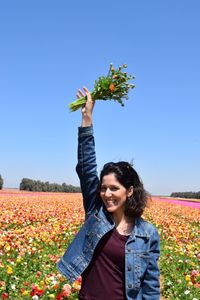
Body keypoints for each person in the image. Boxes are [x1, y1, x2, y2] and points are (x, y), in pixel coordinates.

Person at [57, 87, 160, 299]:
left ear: (129, 191)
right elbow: (87, 169)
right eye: (103, 188)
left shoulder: (147, 234)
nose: (107, 194)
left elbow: (150, 286)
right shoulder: (96, 213)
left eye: (114, 188)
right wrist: (87, 119)